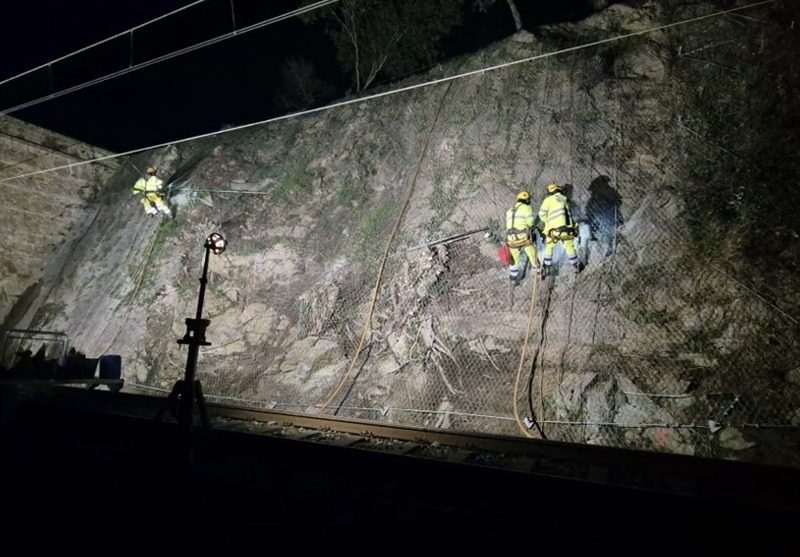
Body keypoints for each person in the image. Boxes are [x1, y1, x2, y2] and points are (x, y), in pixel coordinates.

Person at [538, 182, 579, 273]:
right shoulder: (564, 199)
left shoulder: (548, 200)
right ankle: (576, 265)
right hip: (567, 230)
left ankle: (546, 267)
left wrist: (548, 222)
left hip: (554, 231)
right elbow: (569, 216)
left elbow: (541, 214)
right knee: (569, 247)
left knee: (549, 247)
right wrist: (575, 226)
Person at [505, 191, 539, 286]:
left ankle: (513, 277)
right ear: (527, 200)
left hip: (511, 239)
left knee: (514, 258)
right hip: (522, 237)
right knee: (530, 250)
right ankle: (537, 270)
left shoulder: (509, 210)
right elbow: (531, 223)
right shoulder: (527, 208)